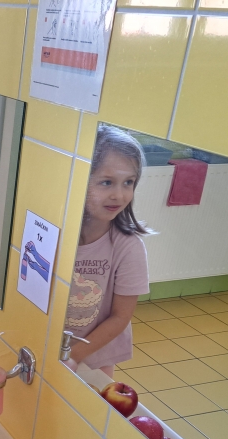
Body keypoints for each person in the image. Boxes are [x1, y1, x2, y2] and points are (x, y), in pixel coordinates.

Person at [65, 124, 152, 378]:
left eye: (128, 182)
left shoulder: (128, 248)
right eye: (106, 182)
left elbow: (120, 317)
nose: (119, 195)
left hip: (95, 357)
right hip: (47, 347)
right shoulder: (53, 235)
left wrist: (73, 356)